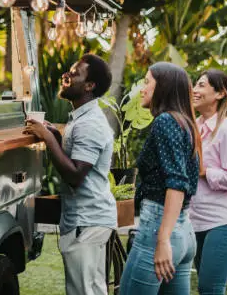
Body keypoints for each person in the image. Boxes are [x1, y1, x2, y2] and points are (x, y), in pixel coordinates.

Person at [24, 53, 117, 295]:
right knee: (94, 290)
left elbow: (75, 175)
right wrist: (56, 136)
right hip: (90, 219)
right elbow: (76, 159)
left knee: (82, 291)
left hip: (87, 221)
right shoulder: (82, 118)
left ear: (89, 86)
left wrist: (46, 139)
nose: (66, 75)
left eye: (75, 73)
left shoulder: (89, 124)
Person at [120, 62, 200, 294]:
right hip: (184, 232)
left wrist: (162, 240)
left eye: (147, 82)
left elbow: (176, 185)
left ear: (163, 87)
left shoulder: (166, 122)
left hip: (159, 231)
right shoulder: (185, 123)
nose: (142, 89)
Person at [190, 69, 227, 295]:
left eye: (202, 85)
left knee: (210, 288)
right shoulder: (194, 127)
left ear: (220, 93)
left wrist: (206, 172)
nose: (195, 90)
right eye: (195, 84)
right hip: (197, 221)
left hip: (223, 222)